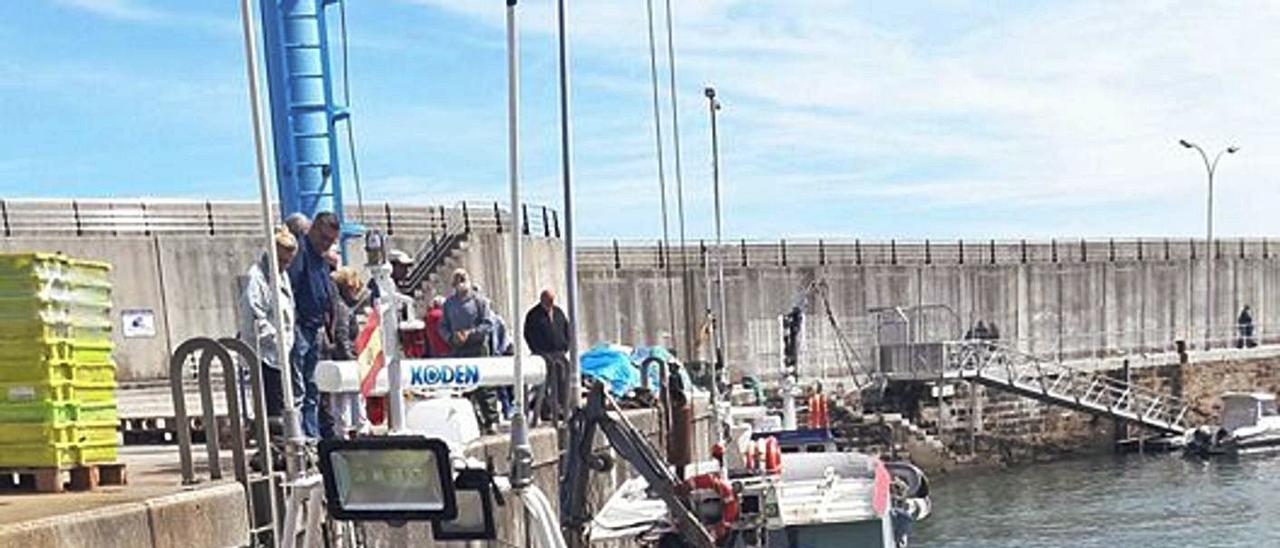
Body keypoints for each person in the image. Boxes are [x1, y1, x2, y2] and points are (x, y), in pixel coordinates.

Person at [288, 211, 340, 439]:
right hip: (302, 327)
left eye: (331, 241)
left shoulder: (321, 257)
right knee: (300, 388)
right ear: (314, 230)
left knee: (313, 387)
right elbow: (292, 288)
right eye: (324, 238)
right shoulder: (301, 253)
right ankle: (303, 436)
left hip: (316, 327)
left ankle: (313, 435)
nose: (327, 244)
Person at [238, 226, 297, 418]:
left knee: (284, 403)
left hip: (281, 353)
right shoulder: (256, 278)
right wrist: (275, 340)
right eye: (281, 260)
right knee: (271, 407)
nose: (284, 265)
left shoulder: (282, 275)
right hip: (264, 355)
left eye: (288, 262)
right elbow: (255, 316)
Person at [439, 269, 499, 432]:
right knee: (462, 388)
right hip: (458, 351)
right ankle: (471, 422)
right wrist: (451, 337)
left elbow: (488, 324)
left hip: (478, 349)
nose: (460, 282)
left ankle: (491, 420)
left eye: (463, 278)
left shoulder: (480, 301)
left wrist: (470, 333)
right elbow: (442, 327)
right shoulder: (448, 304)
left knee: (485, 386)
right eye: (457, 279)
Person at [321, 267, 365, 439]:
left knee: (339, 401)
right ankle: (351, 430)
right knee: (347, 400)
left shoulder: (337, 306)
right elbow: (342, 335)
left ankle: (344, 430)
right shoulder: (343, 309)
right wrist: (351, 359)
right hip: (344, 361)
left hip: (336, 358)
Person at [524, 288, 571, 421]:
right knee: (545, 381)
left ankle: (562, 407)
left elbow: (566, 329)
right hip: (543, 353)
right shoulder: (533, 315)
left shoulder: (558, 312)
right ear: (542, 300)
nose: (551, 303)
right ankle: (545, 410)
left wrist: (566, 346)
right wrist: (536, 350)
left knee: (563, 376)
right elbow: (528, 334)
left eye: (552, 300)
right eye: (548, 300)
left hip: (559, 352)